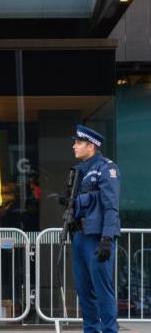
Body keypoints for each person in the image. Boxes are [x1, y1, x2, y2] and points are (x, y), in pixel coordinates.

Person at [69, 125, 120, 333]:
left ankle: (109, 330)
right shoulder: (81, 171)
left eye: (78, 143)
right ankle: (91, 329)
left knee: (102, 289)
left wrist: (107, 237)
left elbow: (111, 206)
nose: (74, 146)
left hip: (97, 237)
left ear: (91, 146)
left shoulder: (106, 168)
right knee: (83, 290)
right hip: (80, 236)